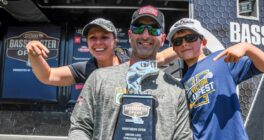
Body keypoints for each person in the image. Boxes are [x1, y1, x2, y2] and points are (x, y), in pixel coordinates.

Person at [66, 6, 193, 140]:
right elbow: (80, 127)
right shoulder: (99, 77)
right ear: (130, 34)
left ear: (162, 37)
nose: (145, 34)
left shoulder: (176, 89)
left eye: (153, 29)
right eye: (139, 27)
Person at [167, 18, 264, 140]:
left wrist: (247, 47)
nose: (184, 44)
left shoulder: (222, 60)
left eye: (190, 37)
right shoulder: (181, 84)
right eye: (177, 41)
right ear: (175, 49)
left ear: (203, 41)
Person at [26, 18, 177, 86]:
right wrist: (33, 53)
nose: (98, 42)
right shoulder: (86, 68)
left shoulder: (129, 56)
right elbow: (48, 76)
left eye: (104, 37)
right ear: (88, 42)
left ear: (115, 41)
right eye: (93, 38)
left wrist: (186, 44)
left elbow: (163, 56)